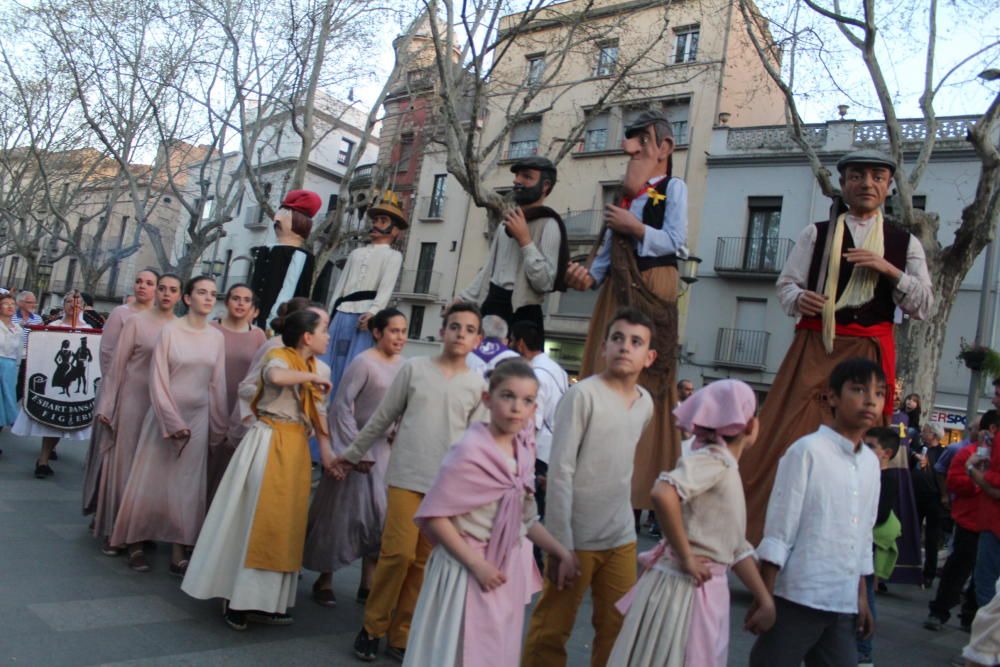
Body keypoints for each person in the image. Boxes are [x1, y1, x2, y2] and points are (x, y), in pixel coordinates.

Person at [741, 150, 933, 543]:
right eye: (857, 176)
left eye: (877, 176)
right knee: (783, 440)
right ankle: (762, 538)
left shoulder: (904, 243)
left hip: (867, 354)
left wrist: (887, 270)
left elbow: (924, 306)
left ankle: (839, 544)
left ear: (888, 186)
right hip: (816, 347)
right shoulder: (816, 233)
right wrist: (800, 299)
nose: (867, 183)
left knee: (856, 450)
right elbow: (786, 286)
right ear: (843, 184)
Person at [333, 302, 486, 662]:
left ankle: (402, 633)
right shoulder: (415, 369)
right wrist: (350, 455)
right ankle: (372, 627)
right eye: (454, 326)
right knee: (396, 555)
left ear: (478, 340)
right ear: (441, 331)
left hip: (445, 490)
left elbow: (475, 444)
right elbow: (382, 418)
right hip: (404, 477)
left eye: (469, 329)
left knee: (421, 562)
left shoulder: (479, 385)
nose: (460, 333)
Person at [403, 359, 579, 667]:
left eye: (526, 401)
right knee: (454, 653)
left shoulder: (524, 453)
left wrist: (559, 551)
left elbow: (526, 519)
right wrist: (476, 564)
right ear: (488, 399)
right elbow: (435, 516)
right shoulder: (469, 451)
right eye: (507, 396)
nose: (515, 408)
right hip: (463, 570)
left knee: (492, 654)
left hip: (500, 573)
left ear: (535, 408)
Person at [562, 110, 688, 519]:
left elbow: (675, 242)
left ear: (664, 148)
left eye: (639, 139)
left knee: (648, 386)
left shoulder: (674, 189)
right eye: (630, 139)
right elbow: (602, 260)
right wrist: (583, 276)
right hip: (617, 296)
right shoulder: (624, 197)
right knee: (605, 377)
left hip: (652, 292)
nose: (629, 148)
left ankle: (637, 490)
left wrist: (635, 227)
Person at [182, 309, 333, 630]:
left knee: (285, 527)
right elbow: (274, 378)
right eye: (324, 329)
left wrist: (331, 456)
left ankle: (267, 602)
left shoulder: (318, 367)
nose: (328, 336)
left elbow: (320, 419)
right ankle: (234, 598)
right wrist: (311, 378)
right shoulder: (278, 355)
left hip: (295, 451)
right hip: (267, 443)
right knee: (251, 521)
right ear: (307, 336)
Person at [522, 308, 657, 667]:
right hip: (575, 538)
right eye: (617, 339)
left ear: (649, 356)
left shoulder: (646, 403)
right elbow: (562, 471)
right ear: (603, 347)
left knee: (617, 627)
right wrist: (560, 544)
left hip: (621, 536)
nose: (625, 347)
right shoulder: (582, 396)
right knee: (552, 630)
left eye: (635, 342)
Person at [608, 379, 775, 667]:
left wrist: (764, 598)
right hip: (685, 592)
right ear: (750, 426)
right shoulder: (716, 461)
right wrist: (686, 556)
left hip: (696, 589)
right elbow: (663, 491)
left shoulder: (721, 464)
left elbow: (734, 547)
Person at [749, 358, 883, 667]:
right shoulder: (806, 451)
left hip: (843, 602)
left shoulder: (871, 464)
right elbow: (780, 530)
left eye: (879, 393)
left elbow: (863, 535)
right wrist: (765, 597)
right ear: (832, 397)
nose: (870, 400)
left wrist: (861, 598)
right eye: (859, 390)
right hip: (798, 595)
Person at [109, 276, 228, 575]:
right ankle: (134, 542)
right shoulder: (170, 331)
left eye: (213, 294)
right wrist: (172, 420)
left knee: (187, 485)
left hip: (198, 419)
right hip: (164, 416)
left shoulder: (217, 337)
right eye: (202, 292)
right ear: (187, 298)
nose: (208, 298)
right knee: (148, 480)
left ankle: (179, 549)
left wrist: (219, 428)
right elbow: (157, 379)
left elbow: (218, 385)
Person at [304, 308, 408, 607]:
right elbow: (342, 406)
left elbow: (406, 407)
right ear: (377, 332)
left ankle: (368, 581)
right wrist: (352, 451)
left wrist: (398, 431)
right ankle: (326, 578)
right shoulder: (363, 362)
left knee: (380, 515)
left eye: (403, 331)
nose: (400, 337)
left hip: (386, 451)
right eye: (394, 331)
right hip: (356, 448)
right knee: (342, 513)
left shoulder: (406, 367)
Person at [91, 274, 182, 556]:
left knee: (149, 469)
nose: (165, 294)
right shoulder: (132, 321)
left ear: (181, 296)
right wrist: (108, 403)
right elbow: (115, 364)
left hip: (160, 404)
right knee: (124, 465)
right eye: (162, 288)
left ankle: (140, 528)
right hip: (132, 397)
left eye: (171, 290)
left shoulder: (180, 327)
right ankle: (114, 529)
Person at [457, 156, 568, 335]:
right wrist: (461, 299)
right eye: (517, 176)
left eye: (527, 176)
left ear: (545, 185)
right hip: (491, 308)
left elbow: (545, 282)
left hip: (523, 315)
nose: (517, 181)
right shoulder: (505, 223)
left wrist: (525, 241)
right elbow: (488, 271)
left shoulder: (549, 224)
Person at [82, 269, 159, 517]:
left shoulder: (164, 319)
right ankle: (102, 508)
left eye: (149, 283)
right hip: (119, 390)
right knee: (112, 450)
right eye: (138, 281)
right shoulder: (120, 313)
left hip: (149, 394)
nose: (142, 286)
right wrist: (113, 392)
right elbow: (107, 355)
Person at [323, 190, 405, 394]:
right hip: (342, 312)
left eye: (383, 220)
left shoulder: (394, 256)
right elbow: (339, 287)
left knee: (355, 365)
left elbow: (386, 288)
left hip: (365, 316)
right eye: (376, 219)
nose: (376, 224)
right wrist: (330, 313)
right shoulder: (356, 253)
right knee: (329, 361)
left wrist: (374, 312)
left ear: (395, 230)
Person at [925, 411, 997, 632]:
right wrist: (977, 481)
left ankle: (971, 616)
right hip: (970, 521)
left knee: (984, 578)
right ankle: (940, 610)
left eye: (976, 428)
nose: (973, 431)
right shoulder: (966, 452)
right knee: (958, 569)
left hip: (990, 523)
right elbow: (955, 481)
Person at [14, 291, 94, 479]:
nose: (73, 305)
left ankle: (47, 454)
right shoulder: (54, 326)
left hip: (75, 378)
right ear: (63, 304)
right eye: (68, 301)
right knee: (53, 422)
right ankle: (43, 460)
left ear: (82, 306)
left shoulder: (88, 328)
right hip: (55, 376)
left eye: (77, 302)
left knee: (63, 422)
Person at [207, 283, 267, 502]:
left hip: (240, 407)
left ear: (252, 306)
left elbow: (262, 375)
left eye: (246, 300)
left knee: (228, 463)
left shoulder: (259, 336)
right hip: (209, 403)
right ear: (226, 301)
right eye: (235, 298)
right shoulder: (211, 328)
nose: (240, 303)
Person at [508, 320, 569, 530]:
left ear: (521, 344)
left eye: (512, 341)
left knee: (528, 519)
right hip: (552, 450)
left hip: (537, 454)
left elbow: (532, 421)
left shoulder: (537, 374)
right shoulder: (557, 370)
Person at [856, 427, 903, 667]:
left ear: (886, 453)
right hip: (861, 542)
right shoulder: (868, 472)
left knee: (865, 596)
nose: (864, 448)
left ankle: (864, 652)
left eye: (871, 445)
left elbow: (880, 514)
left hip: (867, 544)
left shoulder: (888, 478)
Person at [249, 189, 321, 330]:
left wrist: (272, 319)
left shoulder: (300, 256)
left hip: (274, 323)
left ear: (300, 221)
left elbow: (288, 288)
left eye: (285, 214)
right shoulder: (266, 250)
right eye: (280, 213)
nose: (277, 218)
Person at [966, 405, 1000, 615]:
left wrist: (971, 469)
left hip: (994, 524)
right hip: (988, 521)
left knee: (986, 586)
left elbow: (996, 490)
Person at [913, 422, 948, 588]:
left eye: (926, 431)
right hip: (916, 496)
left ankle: (929, 573)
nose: (922, 433)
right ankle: (910, 568)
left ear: (934, 435)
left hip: (934, 498)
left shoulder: (943, 452)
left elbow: (941, 473)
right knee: (913, 532)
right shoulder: (918, 449)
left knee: (932, 537)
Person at [0, 293, 24, 443]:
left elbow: (19, 352)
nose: (10, 306)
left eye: (12, 304)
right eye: (6, 303)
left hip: (9, 368)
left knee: (6, 401)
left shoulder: (18, 329)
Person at [12, 290, 43, 401]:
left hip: (29, 357)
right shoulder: (12, 316)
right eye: (30, 302)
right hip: (12, 355)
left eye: (35, 302)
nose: (33, 305)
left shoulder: (38, 319)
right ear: (20, 303)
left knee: (22, 384)